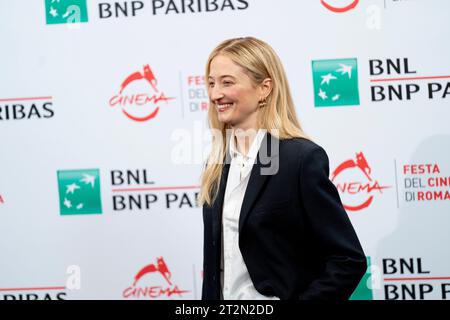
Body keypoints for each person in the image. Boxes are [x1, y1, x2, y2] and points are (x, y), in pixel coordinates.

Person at [198, 36, 367, 300]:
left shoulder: (299, 159)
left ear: (264, 88)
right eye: (211, 83)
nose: (214, 94)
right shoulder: (217, 163)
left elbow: (348, 260)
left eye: (227, 82)